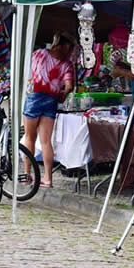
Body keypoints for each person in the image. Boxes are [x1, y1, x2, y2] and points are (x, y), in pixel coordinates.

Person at [23, 31, 76, 188]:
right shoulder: (67, 65)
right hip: (51, 100)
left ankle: (27, 175)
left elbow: (28, 75)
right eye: (70, 49)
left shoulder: (38, 54)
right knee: (46, 141)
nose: (71, 52)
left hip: (34, 98)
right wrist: (62, 96)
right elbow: (69, 86)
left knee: (29, 138)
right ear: (64, 46)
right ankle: (48, 179)